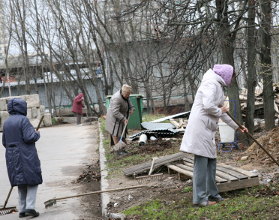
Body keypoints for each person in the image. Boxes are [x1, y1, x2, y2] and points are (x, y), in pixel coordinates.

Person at [180, 64, 248, 207]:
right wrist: (220, 110)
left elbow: (224, 113)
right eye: (231, 77)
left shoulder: (217, 86)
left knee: (211, 163)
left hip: (207, 129)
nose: (231, 80)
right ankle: (200, 199)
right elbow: (208, 106)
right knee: (201, 164)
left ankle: (213, 195)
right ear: (226, 75)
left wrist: (238, 127)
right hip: (200, 128)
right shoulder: (210, 83)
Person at [2, 98, 42, 218]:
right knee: (32, 181)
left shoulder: (7, 122)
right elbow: (29, 137)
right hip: (26, 155)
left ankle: (22, 209)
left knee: (21, 182)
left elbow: (4, 142)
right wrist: (37, 134)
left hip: (11, 156)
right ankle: (30, 207)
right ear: (22, 108)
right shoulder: (23, 120)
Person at [105, 84, 135, 149]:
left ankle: (122, 146)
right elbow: (115, 111)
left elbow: (130, 104)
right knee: (115, 133)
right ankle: (118, 150)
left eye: (129, 94)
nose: (128, 96)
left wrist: (132, 108)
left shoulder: (126, 96)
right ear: (123, 92)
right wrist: (123, 119)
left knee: (121, 131)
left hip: (120, 116)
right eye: (128, 94)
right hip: (113, 117)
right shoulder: (117, 98)